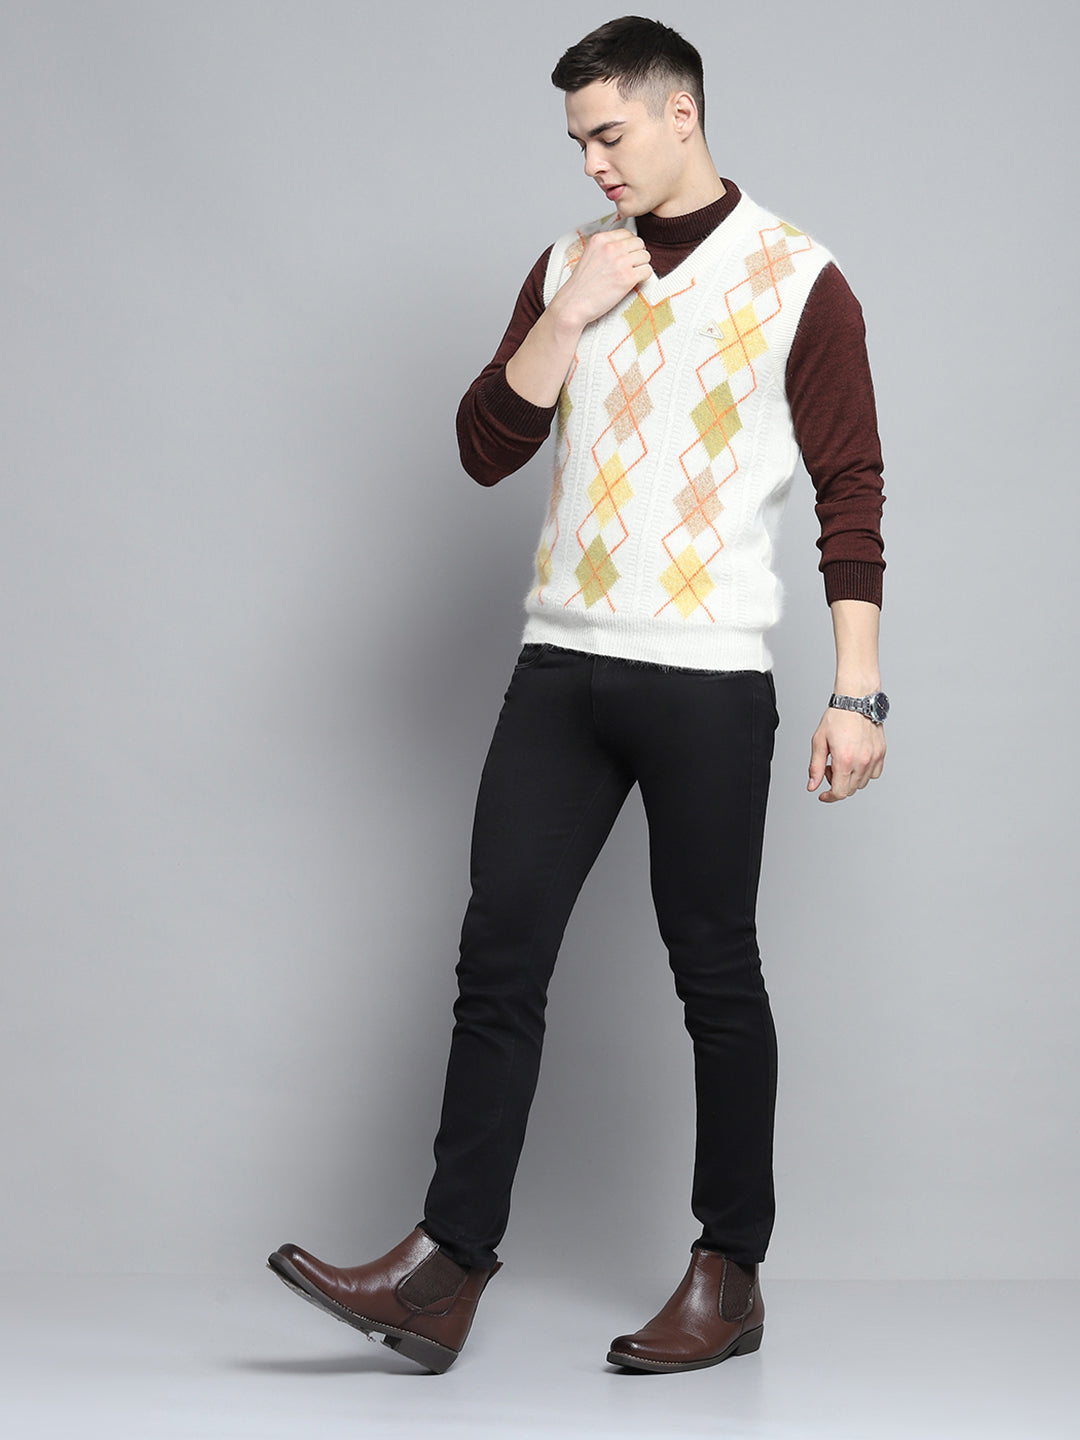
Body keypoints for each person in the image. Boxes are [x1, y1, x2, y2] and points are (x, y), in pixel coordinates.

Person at [268, 15, 887, 1375]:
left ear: (682, 112)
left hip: (708, 680)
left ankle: (728, 1274)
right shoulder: (569, 266)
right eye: (577, 143)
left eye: (609, 134)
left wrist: (860, 693)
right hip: (560, 668)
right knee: (499, 960)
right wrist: (567, 312)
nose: (594, 163)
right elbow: (486, 446)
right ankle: (443, 1272)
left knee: (714, 975)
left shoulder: (800, 279)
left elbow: (851, 487)